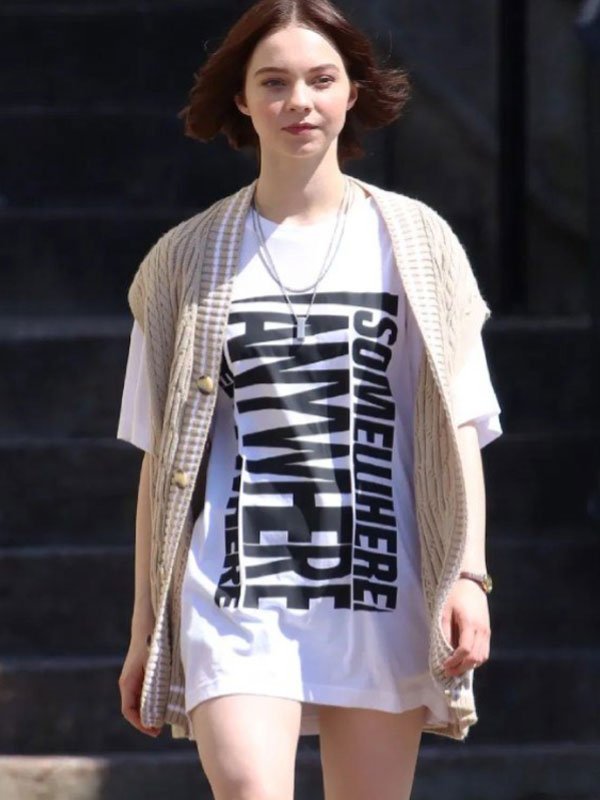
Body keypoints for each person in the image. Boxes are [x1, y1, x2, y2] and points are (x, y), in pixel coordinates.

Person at [116, 1, 503, 798]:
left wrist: (470, 574)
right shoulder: (183, 261)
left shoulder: (418, 243)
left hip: (380, 595)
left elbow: (459, 423)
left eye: (321, 79)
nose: (300, 101)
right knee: (250, 787)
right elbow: (161, 457)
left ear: (351, 93)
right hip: (234, 597)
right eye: (275, 82)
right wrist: (144, 626)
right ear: (242, 98)